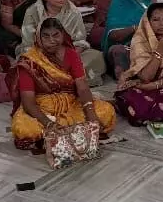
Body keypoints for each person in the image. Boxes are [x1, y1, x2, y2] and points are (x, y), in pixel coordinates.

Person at [11, 17, 116, 150]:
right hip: (42, 108)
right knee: (24, 127)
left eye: (56, 35)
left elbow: (82, 87)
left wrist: (91, 114)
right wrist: (48, 123)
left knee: (106, 111)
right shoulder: (29, 61)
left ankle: (54, 136)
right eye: (46, 36)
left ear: (63, 35)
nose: (51, 41)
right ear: (38, 37)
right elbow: (28, 102)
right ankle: (67, 132)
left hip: (71, 105)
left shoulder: (71, 54)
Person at [20, 0, 107, 82]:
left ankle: (57, 77)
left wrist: (68, 57)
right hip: (40, 54)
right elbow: (28, 42)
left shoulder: (73, 12)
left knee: (96, 57)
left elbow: (80, 41)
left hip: (67, 54)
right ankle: (63, 78)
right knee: (26, 63)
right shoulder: (32, 12)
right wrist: (46, 57)